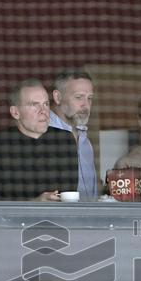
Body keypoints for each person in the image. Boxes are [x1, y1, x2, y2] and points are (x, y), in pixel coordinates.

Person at [0, 79, 78, 201]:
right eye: (34, 105)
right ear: (15, 112)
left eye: (46, 104)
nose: (43, 111)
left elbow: (69, 193)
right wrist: (35, 203)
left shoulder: (64, 140)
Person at [49, 70, 97, 200]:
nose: (85, 105)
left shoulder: (85, 142)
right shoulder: (43, 135)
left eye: (90, 98)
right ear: (57, 97)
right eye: (78, 97)